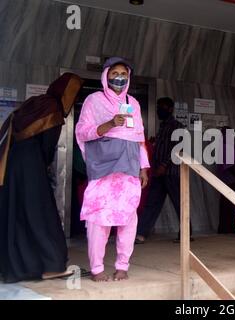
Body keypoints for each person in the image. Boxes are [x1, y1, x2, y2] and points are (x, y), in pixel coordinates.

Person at [0, 73, 83, 283]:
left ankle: (16, 266)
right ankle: (51, 265)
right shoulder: (53, 108)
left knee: (17, 213)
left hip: (13, 162)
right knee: (42, 214)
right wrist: (43, 167)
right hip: (32, 165)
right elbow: (47, 147)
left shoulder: (34, 102)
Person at [75, 57, 150, 282]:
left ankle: (122, 266)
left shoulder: (133, 103)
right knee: (98, 219)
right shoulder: (93, 100)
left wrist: (144, 167)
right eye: (115, 73)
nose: (119, 77)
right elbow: (82, 132)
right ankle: (97, 269)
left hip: (128, 167)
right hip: (103, 167)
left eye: (124, 74)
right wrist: (110, 123)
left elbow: (139, 138)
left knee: (128, 218)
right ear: (106, 75)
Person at [135, 97, 190, 244]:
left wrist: (164, 165)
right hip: (158, 173)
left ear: (170, 109)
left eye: (162, 107)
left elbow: (177, 148)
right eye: (158, 107)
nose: (159, 110)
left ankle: (186, 234)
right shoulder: (162, 127)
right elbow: (163, 147)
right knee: (152, 203)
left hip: (171, 172)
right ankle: (141, 233)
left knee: (180, 203)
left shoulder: (177, 126)